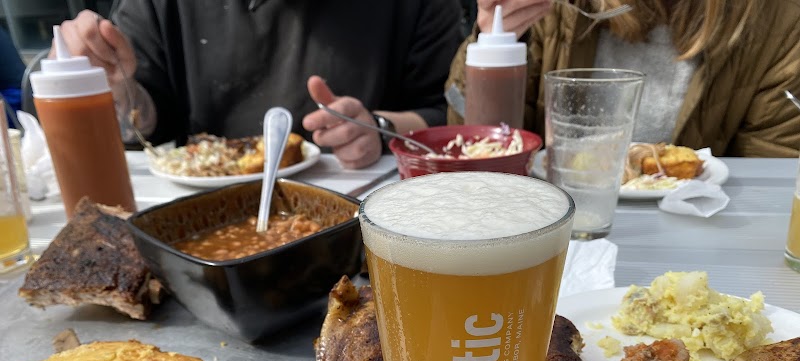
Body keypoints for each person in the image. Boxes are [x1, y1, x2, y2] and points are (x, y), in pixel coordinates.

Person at [56, 0, 463, 169]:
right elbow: (143, 121)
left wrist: (379, 127)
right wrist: (112, 89)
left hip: (368, 227)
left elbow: (448, 117)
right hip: (198, 223)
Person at [446, 0, 800, 157]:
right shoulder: (550, 8)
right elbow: (473, 149)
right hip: (547, 237)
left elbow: (770, 186)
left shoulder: (777, 22)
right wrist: (496, 40)